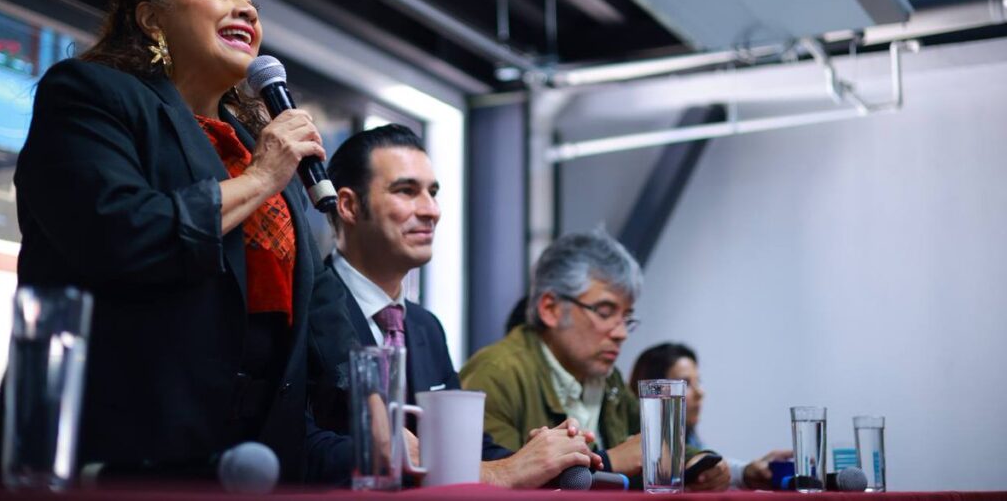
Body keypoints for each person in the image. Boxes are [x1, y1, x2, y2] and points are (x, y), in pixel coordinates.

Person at [0, 0, 355, 482]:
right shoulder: (91, 94)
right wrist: (258, 179)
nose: (246, 8)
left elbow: (319, 299)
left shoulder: (260, 145)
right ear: (152, 19)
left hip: (258, 456)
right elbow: (120, 232)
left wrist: (375, 413)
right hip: (117, 452)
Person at [304, 124, 601, 487]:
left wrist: (538, 455)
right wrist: (503, 471)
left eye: (432, 192)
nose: (431, 210)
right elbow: (297, 446)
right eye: (406, 191)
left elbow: (467, 452)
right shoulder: (303, 310)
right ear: (348, 205)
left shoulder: (424, 325)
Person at [459, 231, 729, 491]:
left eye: (626, 318)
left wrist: (702, 463)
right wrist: (611, 461)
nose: (621, 333)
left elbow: (655, 443)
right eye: (605, 312)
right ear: (550, 309)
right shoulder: (496, 373)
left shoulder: (604, 377)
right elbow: (495, 476)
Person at [630, 343, 792, 489]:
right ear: (651, 391)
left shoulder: (691, 442)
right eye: (684, 383)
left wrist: (748, 470)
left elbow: (709, 470)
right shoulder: (635, 448)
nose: (701, 392)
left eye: (698, 382)